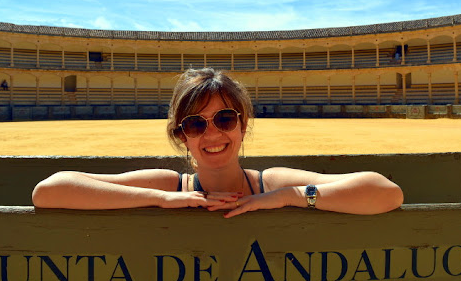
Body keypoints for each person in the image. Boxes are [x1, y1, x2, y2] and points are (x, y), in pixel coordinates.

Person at [32, 68, 403, 217]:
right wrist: (160, 197)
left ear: (243, 125)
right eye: (195, 125)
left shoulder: (271, 182)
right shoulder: (169, 185)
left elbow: (387, 191)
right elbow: (48, 191)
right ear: (182, 137)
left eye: (225, 119)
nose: (212, 135)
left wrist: (289, 196)